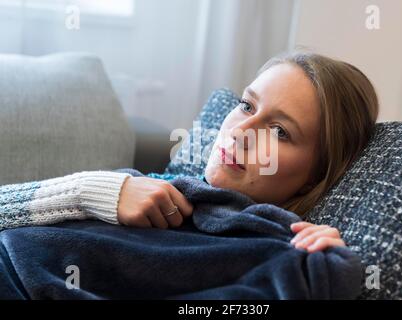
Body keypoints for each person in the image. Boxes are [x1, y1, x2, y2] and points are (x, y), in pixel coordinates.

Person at [0, 50, 378, 254]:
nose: (241, 131)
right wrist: (90, 193)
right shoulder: (147, 187)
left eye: (279, 131)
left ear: (315, 174)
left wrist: (326, 267)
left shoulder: (278, 249)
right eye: (247, 106)